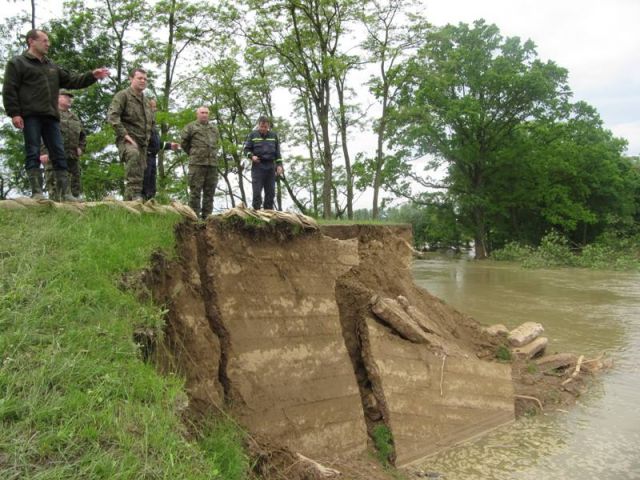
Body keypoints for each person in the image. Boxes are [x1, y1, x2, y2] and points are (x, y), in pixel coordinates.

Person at [2, 29, 109, 201]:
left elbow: (72, 81)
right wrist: (14, 113)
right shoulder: (18, 63)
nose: (48, 44)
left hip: (51, 117)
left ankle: (66, 194)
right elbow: (9, 89)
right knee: (33, 151)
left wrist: (92, 76)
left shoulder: (51, 66)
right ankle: (37, 193)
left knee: (59, 153)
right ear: (31, 41)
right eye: (44, 40)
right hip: (30, 115)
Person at [107, 68, 153, 201]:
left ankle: (131, 201)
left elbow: (151, 122)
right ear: (131, 79)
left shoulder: (146, 101)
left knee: (140, 171)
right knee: (133, 155)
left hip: (143, 142)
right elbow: (112, 116)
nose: (143, 81)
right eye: (140, 78)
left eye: (145, 79)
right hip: (128, 139)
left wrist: (150, 140)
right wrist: (125, 135)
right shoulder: (123, 96)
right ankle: (134, 196)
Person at [40, 90, 86, 201]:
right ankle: (56, 207)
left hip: (72, 157)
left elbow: (82, 135)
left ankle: (75, 206)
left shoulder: (74, 117)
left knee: (75, 187)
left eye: (70, 97)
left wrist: (81, 147)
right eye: (66, 96)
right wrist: (43, 152)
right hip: (54, 156)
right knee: (56, 187)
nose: (69, 99)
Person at [180, 106, 219, 219]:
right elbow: (184, 143)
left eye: (206, 113)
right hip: (196, 165)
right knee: (195, 192)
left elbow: (216, 143)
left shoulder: (214, 129)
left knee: (209, 193)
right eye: (202, 112)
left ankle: (207, 218)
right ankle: (194, 218)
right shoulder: (190, 127)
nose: (204, 115)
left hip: (212, 165)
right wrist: (195, 154)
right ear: (197, 114)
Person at [243, 116, 283, 210]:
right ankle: (256, 213)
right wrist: (251, 156)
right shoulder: (253, 135)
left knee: (270, 192)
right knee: (257, 192)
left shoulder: (273, 136)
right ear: (258, 125)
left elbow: (277, 153)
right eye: (261, 126)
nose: (263, 129)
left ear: (268, 126)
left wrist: (279, 165)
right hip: (258, 166)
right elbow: (246, 150)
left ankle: (268, 213)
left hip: (270, 166)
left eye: (265, 127)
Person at [143, 99, 179, 200]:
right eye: (153, 107)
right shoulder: (142, 123)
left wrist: (170, 145)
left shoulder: (153, 126)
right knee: (144, 182)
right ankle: (141, 202)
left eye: (155, 107)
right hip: (144, 157)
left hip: (152, 157)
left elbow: (157, 144)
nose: (155, 110)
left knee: (152, 183)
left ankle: (150, 203)